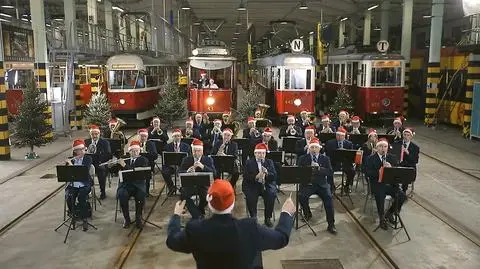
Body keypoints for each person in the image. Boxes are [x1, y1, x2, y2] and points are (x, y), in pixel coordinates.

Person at [166, 180, 296, 269]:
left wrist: (176, 216)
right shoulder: (249, 228)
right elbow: (281, 238)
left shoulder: (195, 229)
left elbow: (172, 240)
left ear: (209, 204)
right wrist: (286, 213)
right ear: (233, 202)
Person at [297, 137, 337, 234]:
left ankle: (331, 224)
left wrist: (319, 169)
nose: (314, 149)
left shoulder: (325, 159)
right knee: (301, 196)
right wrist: (308, 169)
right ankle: (307, 213)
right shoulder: (302, 158)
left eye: (316, 147)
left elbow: (330, 172)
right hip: (308, 184)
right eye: (312, 147)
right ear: (309, 148)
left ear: (319, 148)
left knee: (328, 199)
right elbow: (298, 172)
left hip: (321, 185)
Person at [365, 138, 405, 230]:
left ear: (388, 148)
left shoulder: (392, 157)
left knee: (402, 196)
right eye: (381, 146)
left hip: (390, 184)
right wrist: (379, 171)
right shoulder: (370, 159)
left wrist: (391, 169)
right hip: (377, 184)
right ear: (377, 148)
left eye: (385, 146)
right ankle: (382, 218)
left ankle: (390, 213)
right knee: (380, 195)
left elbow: (398, 172)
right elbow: (367, 173)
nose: (383, 148)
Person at [179, 139, 216, 219]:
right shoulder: (187, 159)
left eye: (198, 151)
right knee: (185, 195)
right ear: (192, 151)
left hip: (203, 185)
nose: (196, 153)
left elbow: (214, 173)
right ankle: (197, 215)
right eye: (194, 151)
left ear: (202, 151)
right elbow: (179, 172)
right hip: (189, 185)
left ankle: (199, 210)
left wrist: (203, 166)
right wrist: (187, 171)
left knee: (205, 197)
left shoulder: (208, 160)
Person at [242, 143, 277, 227]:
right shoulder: (249, 162)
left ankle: (267, 218)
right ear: (255, 153)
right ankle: (253, 217)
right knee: (251, 196)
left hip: (266, 184)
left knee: (271, 194)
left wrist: (267, 173)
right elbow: (245, 176)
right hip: (252, 184)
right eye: (259, 153)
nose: (261, 155)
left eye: (263, 153)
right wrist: (256, 177)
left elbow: (274, 176)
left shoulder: (269, 162)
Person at [117, 140, 150, 229]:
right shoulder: (124, 159)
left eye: (137, 151)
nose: (135, 152)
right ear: (129, 151)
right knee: (122, 195)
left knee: (141, 196)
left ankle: (138, 218)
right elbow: (113, 171)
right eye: (133, 151)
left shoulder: (143, 160)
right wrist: (111, 165)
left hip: (138, 185)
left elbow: (136, 173)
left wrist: (124, 166)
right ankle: (126, 219)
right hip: (126, 185)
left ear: (139, 151)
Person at [65, 139, 93, 231]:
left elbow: (82, 172)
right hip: (73, 184)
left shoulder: (88, 159)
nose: (80, 152)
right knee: (69, 197)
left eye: (82, 149)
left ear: (85, 149)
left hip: (85, 183)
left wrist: (71, 165)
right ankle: (74, 215)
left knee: (82, 197)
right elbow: (66, 174)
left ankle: (84, 219)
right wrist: (67, 165)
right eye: (78, 150)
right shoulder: (71, 160)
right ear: (75, 151)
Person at [324, 127, 355, 193]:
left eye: (341, 136)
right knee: (329, 170)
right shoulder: (330, 143)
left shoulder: (349, 143)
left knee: (352, 171)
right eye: (338, 135)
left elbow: (351, 156)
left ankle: (347, 186)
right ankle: (331, 186)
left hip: (345, 163)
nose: (339, 137)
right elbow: (327, 155)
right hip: (334, 163)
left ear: (344, 136)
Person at [85, 124, 112, 200]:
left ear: (99, 134)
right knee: (83, 171)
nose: (94, 136)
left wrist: (99, 158)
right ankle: (87, 191)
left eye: (96, 134)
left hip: (100, 163)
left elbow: (108, 155)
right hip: (89, 164)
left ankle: (102, 192)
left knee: (102, 172)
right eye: (92, 134)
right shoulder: (86, 142)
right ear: (90, 134)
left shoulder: (105, 142)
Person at [162, 129, 191, 195]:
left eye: (178, 136)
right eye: (175, 136)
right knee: (164, 172)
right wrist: (171, 165)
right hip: (171, 166)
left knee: (185, 171)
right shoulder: (167, 146)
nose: (177, 137)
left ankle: (183, 188)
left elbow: (189, 158)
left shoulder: (186, 146)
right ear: (172, 137)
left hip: (182, 166)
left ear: (181, 137)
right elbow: (165, 159)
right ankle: (172, 187)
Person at [396, 128, 419, 192]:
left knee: (405, 173)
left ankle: (403, 192)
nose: (406, 137)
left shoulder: (415, 147)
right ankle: (395, 191)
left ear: (411, 137)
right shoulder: (397, 143)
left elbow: (415, 161)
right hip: (397, 165)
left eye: (408, 135)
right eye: (405, 135)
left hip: (408, 167)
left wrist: (408, 153)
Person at [138, 128, 158, 197]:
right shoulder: (135, 143)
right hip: (137, 164)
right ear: (139, 136)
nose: (143, 138)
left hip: (148, 164)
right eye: (141, 136)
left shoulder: (151, 144)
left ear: (147, 137)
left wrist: (147, 153)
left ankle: (146, 191)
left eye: (144, 136)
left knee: (147, 173)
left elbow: (155, 156)